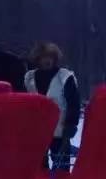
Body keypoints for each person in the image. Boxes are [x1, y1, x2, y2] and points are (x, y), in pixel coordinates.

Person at [25, 42, 80, 172]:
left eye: (50, 57)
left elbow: (73, 102)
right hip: (38, 131)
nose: (47, 60)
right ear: (38, 59)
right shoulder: (29, 77)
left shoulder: (64, 76)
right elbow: (26, 103)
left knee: (61, 171)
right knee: (38, 170)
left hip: (60, 131)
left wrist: (71, 124)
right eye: (44, 57)